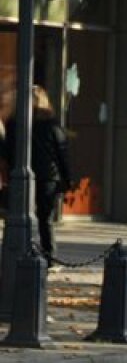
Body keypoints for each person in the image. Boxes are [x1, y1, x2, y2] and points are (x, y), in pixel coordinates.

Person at [3, 85, 72, 264]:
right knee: (45, 219)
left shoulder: (15, 122)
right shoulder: (51, 123)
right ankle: (49, 256)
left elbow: (7, 150)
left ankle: (22, 253)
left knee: (19, 215)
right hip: (48, 176)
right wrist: (67, 178)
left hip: (22, 175)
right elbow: (61, 152)